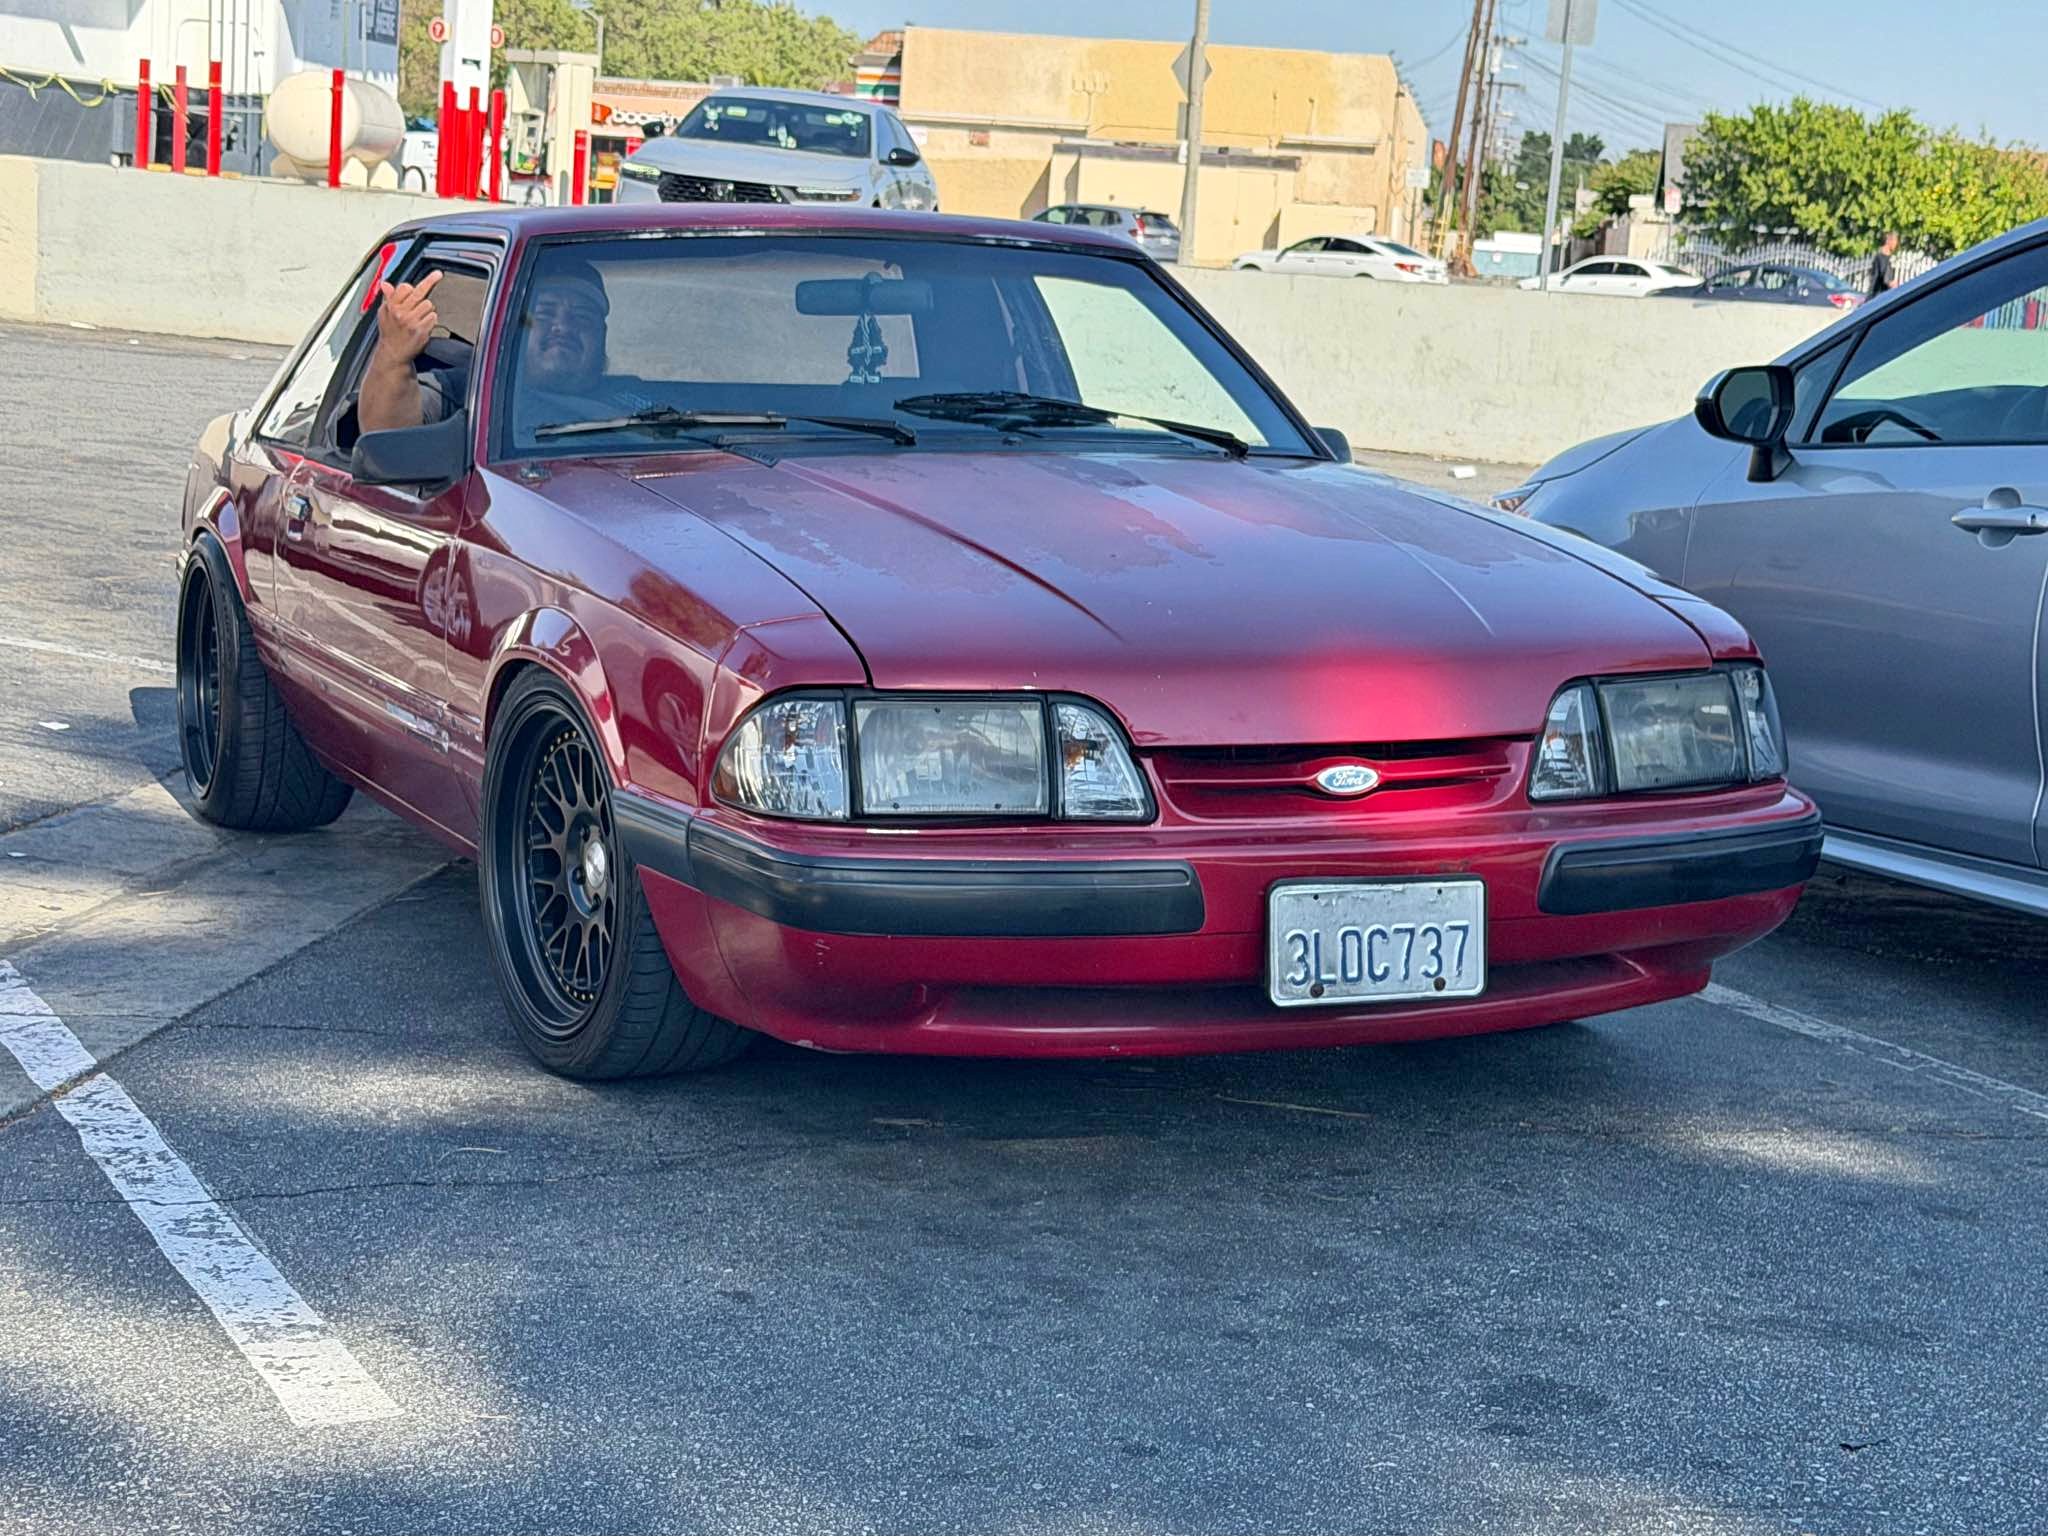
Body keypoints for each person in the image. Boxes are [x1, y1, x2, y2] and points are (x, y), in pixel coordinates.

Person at [356, 259, 619, 435]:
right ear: (514, 330)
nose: (563, 326)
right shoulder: (469, 394)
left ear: (603, 336)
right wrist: (393, 354)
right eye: (546, 313)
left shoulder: (644, 406)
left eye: (583, 316)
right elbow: (385, 436)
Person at [1868, 231, 1900, 299]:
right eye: (1895, 241)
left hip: (1876, 294)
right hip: (1879, 295)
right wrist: (1892, 283)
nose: (1896, 244)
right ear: (1888, 241)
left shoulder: (1880, 256)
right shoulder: (1882, 257)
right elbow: (1885, 277)